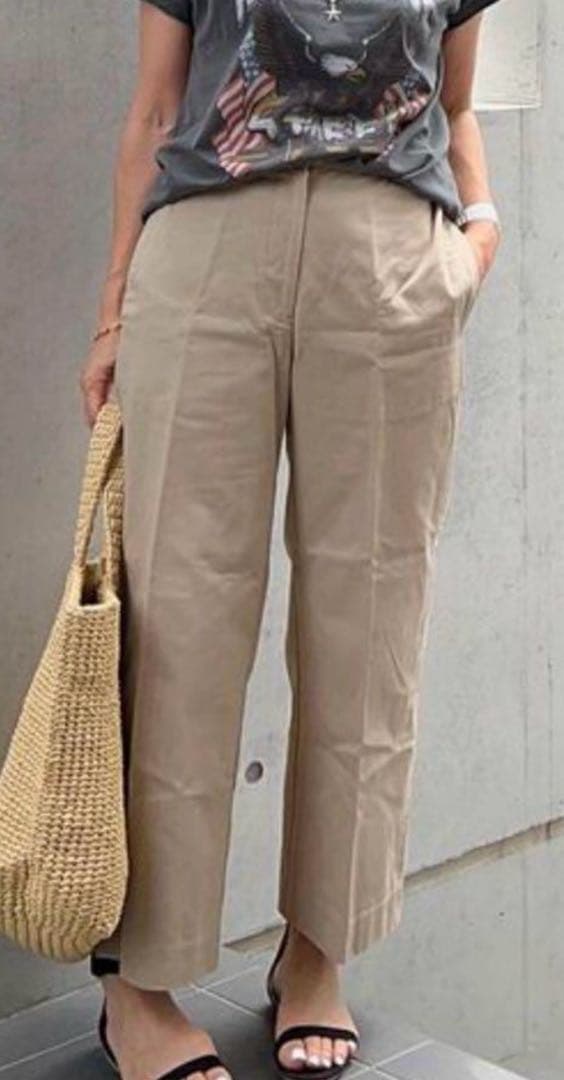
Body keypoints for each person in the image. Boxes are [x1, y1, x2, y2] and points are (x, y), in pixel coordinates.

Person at [80, 2, 502, 1078]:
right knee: (176, 618)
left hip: (390, 264)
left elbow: (455, 103)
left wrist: (478, 230)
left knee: (371, 615)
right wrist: (114, 310)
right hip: (210, 248)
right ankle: (139, 983)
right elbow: (158, 107)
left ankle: (317, 951)